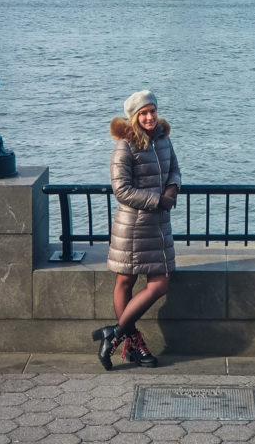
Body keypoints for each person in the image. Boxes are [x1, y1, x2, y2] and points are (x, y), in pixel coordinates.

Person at [92, 90, 181, 370]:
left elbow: (175, 171)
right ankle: (135, 345)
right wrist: (158, 200)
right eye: (143, 113)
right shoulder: (125, 146)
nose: (150, 116)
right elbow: (121, 190)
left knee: (160, 284)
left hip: (158, 224)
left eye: (152, 110)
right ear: (134, 117)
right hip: (132, 226)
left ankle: (115, 334)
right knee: (125, 282)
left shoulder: (163, 141)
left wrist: (171, 191)